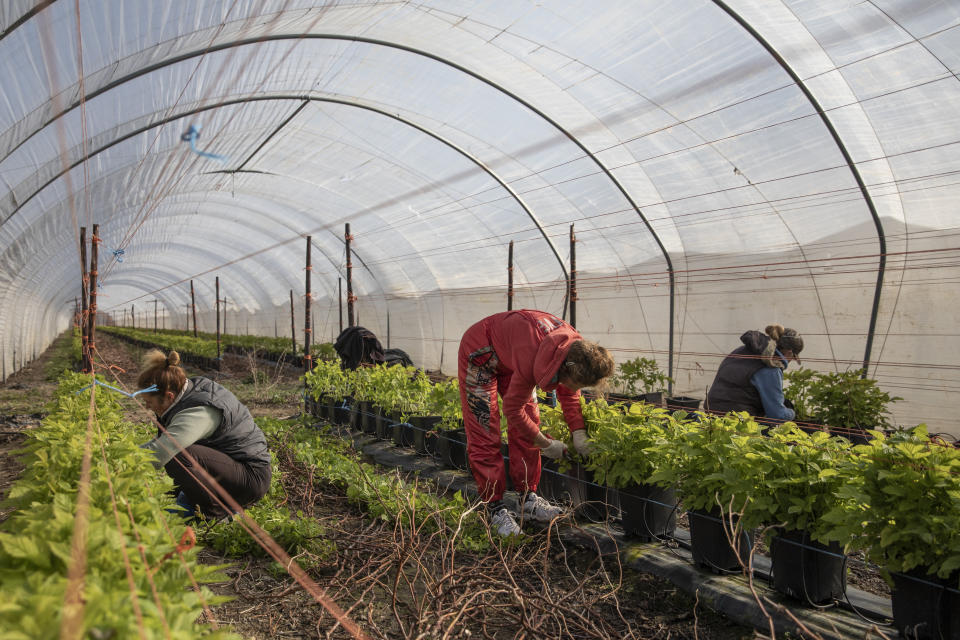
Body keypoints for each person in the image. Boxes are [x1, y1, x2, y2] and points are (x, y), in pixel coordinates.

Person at [458, 309, 615, 536]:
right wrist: (545, 444)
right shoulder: (533, 353)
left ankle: (527, 499)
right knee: (484, 426)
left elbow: (569, 391)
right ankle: (493, 508)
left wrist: (578, 432)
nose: (572, 387)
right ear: (565, 369)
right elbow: (512, 409)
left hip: (512, 356)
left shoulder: (575, 350)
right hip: (480, 355)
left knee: (530, 418)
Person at [138, 349, 271, 520]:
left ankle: (215, 515)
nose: (147, 407)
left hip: (250, 478)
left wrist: (119, 468)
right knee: (182, 455)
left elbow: (162, 450)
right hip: (231, 467)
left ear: (169, 396)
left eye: (149, 402)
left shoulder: (199, 411)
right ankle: (197, 502)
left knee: (178, 455)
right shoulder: (186, 392)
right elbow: (161, 441)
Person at [706, 324, 803, 423]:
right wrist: (791, 412)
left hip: (711, 410)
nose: (791, 361)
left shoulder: (744, 350)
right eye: (793, 358)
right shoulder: (771, 366)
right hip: (736, 420)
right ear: (789, 352)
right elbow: (777, 415)